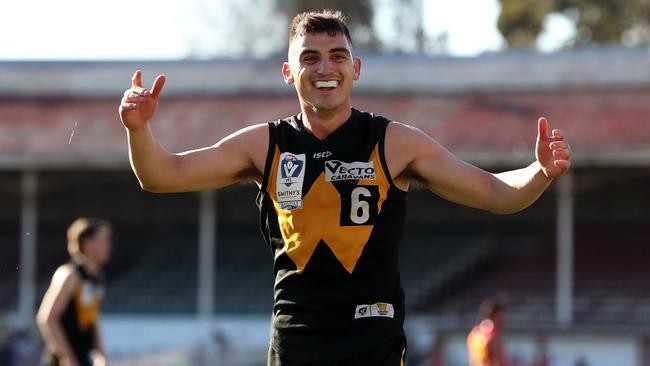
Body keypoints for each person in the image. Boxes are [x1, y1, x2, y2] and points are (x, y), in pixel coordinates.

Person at [118, 9, 572, 366]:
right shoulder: (264, 144)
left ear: (355, 67)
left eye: (337, 56)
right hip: (296, 340)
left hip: (372, 340)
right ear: (288, 72)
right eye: (309, 57)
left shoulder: (395, 142)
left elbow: (496, 193)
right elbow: (162, 175)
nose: (325, 67)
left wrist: (540, 171)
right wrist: (139, 131)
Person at [37, 218, 111, 366]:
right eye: (103, 241)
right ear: (87, 244)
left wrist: (100, 355)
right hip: (63, 360)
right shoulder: (70, 275)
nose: (108, 246)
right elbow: (47, 318)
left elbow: (92, 317)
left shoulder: (97, 277)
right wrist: (68, 358)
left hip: (84, 357)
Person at [467, 299, 508, 366]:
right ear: (495, 316)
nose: (504, 320)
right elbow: (497, 361)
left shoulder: (475, 333)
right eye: (502, 317)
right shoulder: (493, 335)